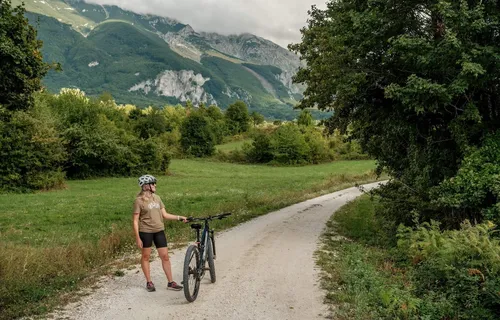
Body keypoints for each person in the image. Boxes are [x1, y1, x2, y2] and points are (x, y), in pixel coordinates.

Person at [133, 174, 187, 292]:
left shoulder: (157, 198)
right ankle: (149, 282)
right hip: (145, 232)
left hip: (159, 231)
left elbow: (165, 215)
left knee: (165, 256)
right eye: (153, 183)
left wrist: (179, 217)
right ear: (146, 186)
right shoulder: (139, 201)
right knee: (146, 256)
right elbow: (135, 221)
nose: (155, 185)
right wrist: (138, 237)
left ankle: (171, 282)